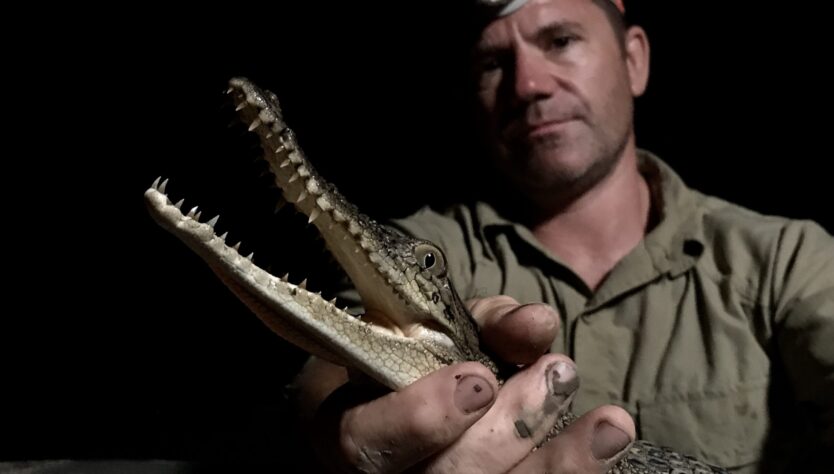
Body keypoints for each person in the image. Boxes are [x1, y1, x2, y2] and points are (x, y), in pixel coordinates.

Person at [289, 0, 834, 472]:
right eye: (493, 63)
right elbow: (336, 361)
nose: (527, 84)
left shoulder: (786, 260)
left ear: (634, 59)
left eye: (561, 40)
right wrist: (328, 430)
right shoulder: (430, 249)